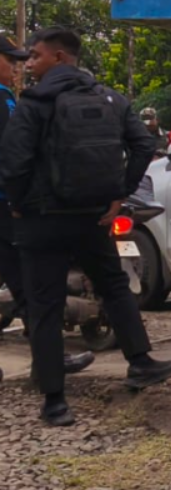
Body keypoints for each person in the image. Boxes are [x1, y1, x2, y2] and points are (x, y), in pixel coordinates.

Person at [1, 28, 171, 426]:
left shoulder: (34, 103)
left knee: (44, 306)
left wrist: (17, 204)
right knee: (113, 285)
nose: (29, 64)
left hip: (41, 220)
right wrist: (119, 194)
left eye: (35, 56)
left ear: (60, 57)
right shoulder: (111, 98)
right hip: (93, 217)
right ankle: (141, 362)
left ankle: (54, 402)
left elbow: (13, 162)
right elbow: (143, 146)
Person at [0, 35, 95, 379]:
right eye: (9, 60)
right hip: (7, 207)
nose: (15, 67)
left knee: (27, 288)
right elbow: (13, 156)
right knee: (30, 288)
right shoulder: (4, 101)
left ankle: (47, 360)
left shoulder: (11, 98)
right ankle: (48, 362)